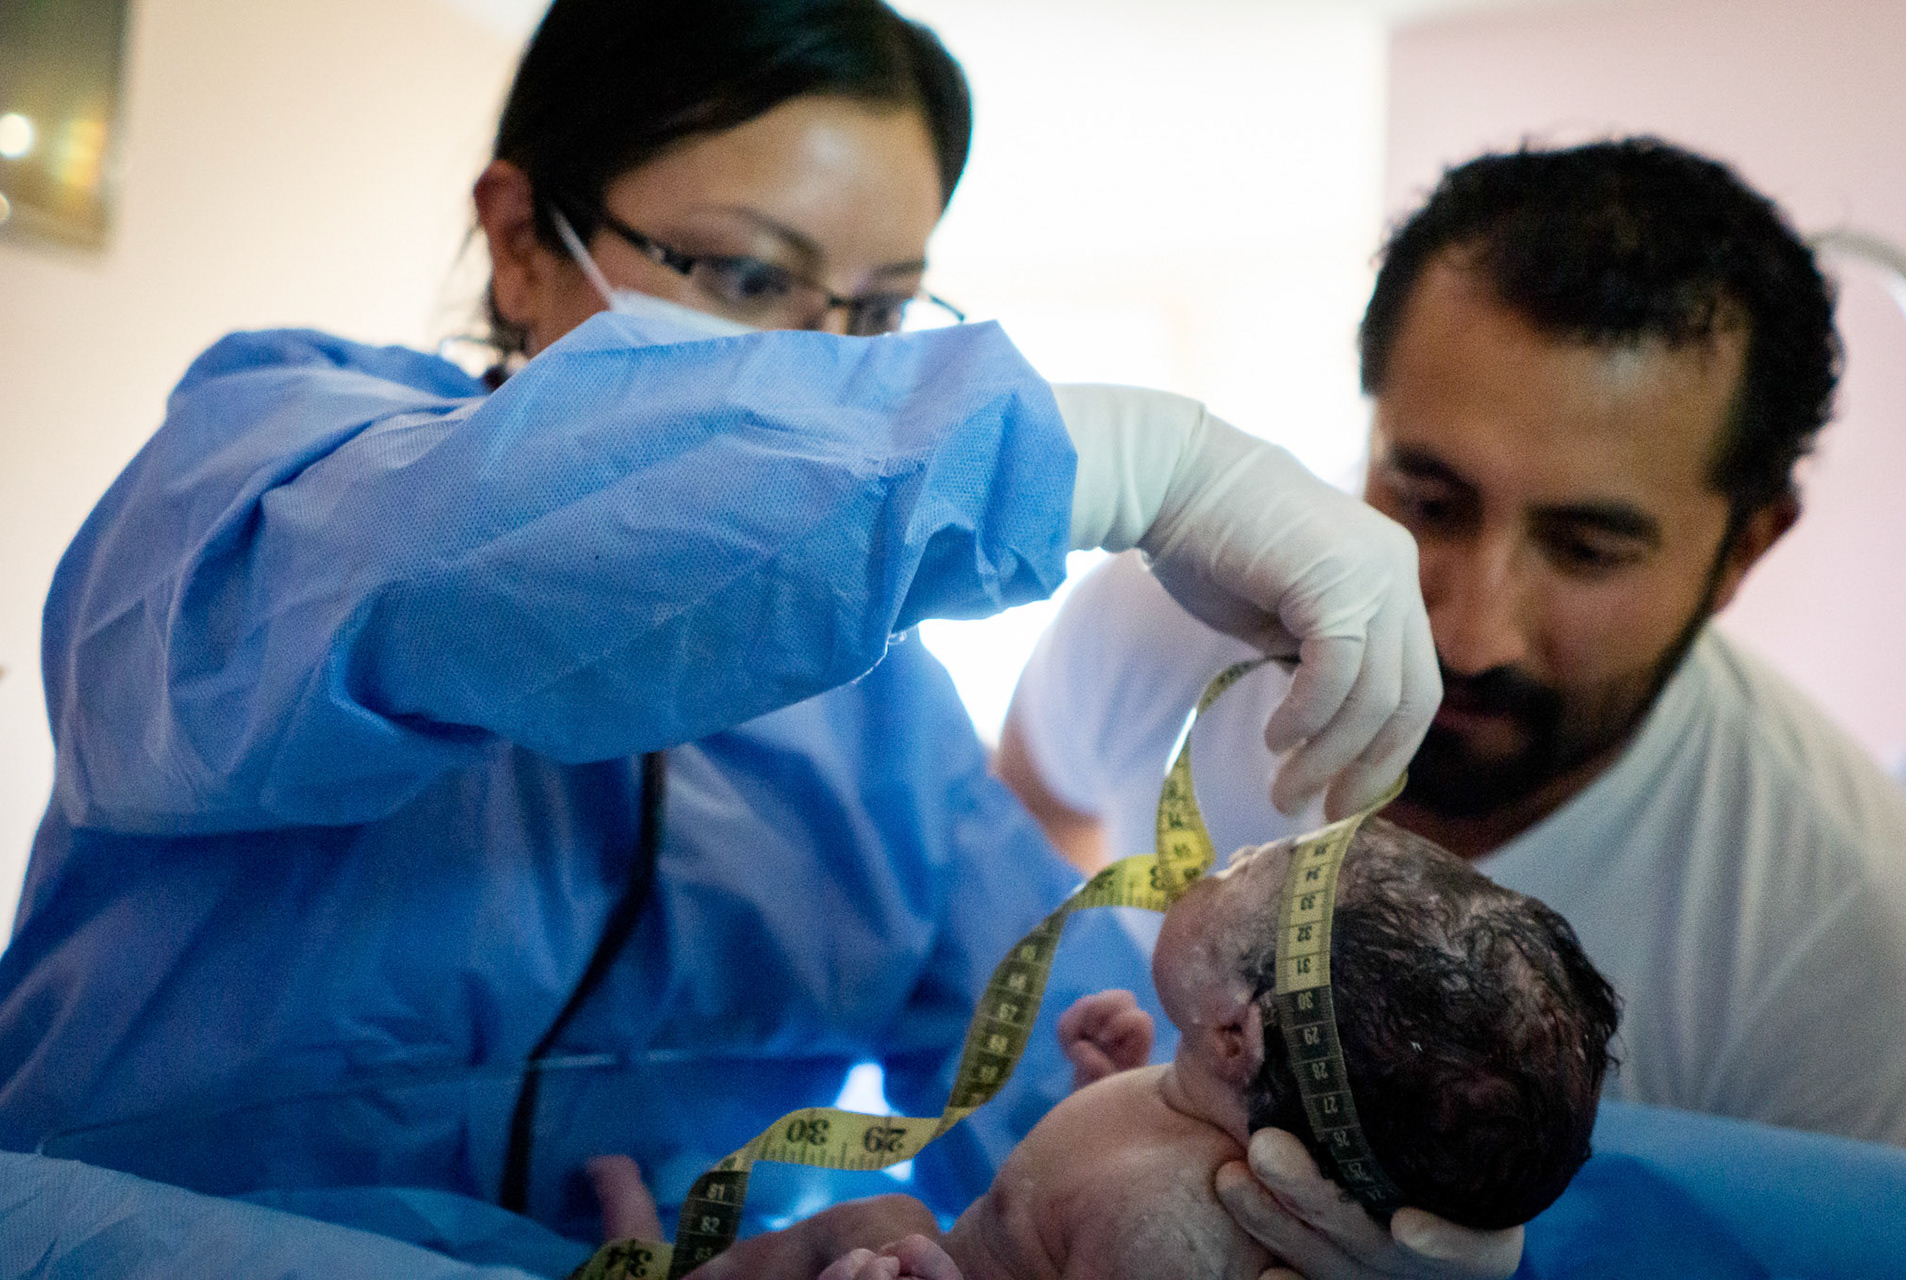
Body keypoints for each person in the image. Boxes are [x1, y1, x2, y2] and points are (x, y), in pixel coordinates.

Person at [0, 1, 1508, 1276]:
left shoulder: (881, 727)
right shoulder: (269, 477)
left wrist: (1360, 1172)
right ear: (521, 240)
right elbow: (452, 562)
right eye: (745, 277)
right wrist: (1105, 463)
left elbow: (1083, 1072)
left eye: (882, 316)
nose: (823, 368)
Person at [999, 138, 1906, 1152]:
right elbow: (1025, 825)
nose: (1467, 635)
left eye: (1585, 550)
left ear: (1746, 547)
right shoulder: (1160, 620)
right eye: (1428, 502)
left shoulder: (1847, 936)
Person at [585, 818, 1619, 1279]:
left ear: (1236, 1033)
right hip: (935, 1240)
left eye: (1251, 863)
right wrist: (1108, 1085)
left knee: (878, 1223)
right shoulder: (1207, 1098)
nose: (1220, 853)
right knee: (876, 1214)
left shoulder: (1173, 1233)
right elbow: (1084, 1170)